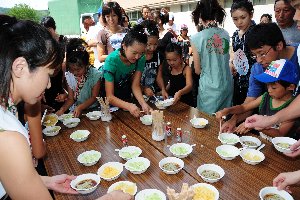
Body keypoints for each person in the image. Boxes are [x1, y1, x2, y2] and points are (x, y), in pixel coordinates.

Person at [221, 23, 300, 134]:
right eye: (254, 55)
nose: (258, 60)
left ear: (279, 46)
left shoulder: (299, 55)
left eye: (262, 54)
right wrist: (233, 120)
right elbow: (249, 103)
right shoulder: (258, 68)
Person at [216, 59, 299, 139]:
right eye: (267, 85)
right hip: (261, 142)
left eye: (273, 87)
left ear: (290, 87)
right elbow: (244, 108)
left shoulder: (293, 108)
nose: (269, 90)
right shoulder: (266, 97)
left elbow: (280, 134)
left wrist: (257, 126)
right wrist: (228, 110)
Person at [190, 0, 233, 114]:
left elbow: (198, 70)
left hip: (209, 89)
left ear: (200, 16)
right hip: (227, 84)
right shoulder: (226, 34)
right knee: (224, 122)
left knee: (207, 124)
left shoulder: (196, 38)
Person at [101, 25, 152, 117]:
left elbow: (135, 85)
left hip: (124, 94)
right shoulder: (111, 60)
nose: (137, 57)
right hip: (108, 100)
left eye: (141, 53)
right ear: (124, 46)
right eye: (134, 53)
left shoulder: (141, 58)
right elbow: (109, 96)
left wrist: (143, 104)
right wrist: (128, 106)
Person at [56, 38, 101, 117]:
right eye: (72, 70)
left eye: (78, 69)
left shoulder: (95, 75)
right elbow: (71, 99)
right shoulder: (69, 76)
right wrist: (61, 110)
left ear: (86, 65)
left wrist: (81, 107)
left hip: (94, 110)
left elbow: (94, 97)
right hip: (77, 111)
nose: (75, 73)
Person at [230, 0, 256, 106]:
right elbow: (235, 54)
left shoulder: (257, 32)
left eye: (243, 17)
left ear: (251, 14)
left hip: (254, 82)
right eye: (235, 19)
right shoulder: (235, 35)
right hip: (238, 81)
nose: (239, 22)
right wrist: (231, 63)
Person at [140, 20, 162, 97]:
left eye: (155, 44)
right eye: (148, 45)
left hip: (153, 94)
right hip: (138, 94)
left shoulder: (158, 56)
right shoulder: (137, 56)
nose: (152, 48)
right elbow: (132, 81)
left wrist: (163, 89)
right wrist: (143, 88)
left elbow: (159, 77)